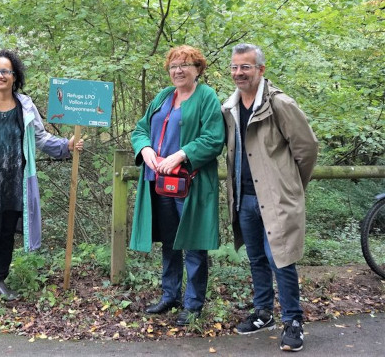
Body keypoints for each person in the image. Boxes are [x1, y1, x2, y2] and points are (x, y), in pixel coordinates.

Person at [0, 49, 84, 317]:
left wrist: (66, 145)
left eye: (6, 71)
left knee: (6, 232)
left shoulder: (25, 106)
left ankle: (0, 279)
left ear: (15, 76)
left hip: (16, 180)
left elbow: (40, 138)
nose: (0, 75)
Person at [222, 43, 319, 352]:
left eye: (246, 67)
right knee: (257, 258)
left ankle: (293, 322)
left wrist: (291, 187)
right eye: (235, 67)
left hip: (275, 199)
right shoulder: (230, 107)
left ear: (261, 70)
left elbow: (307, 149)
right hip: (244, 198)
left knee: (282, 259)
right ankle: (263, 312)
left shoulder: (280, 104)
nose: (239, 73)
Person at [130, 45, 225, 326]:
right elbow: (140, 129)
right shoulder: (163, 97)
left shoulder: (206, 97)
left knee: (193, 243)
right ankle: (170, 294)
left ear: (198, 69)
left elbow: (213, 138)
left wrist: (180, 155)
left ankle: (193, 304)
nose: (178, 70)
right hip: (160, 183)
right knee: (169, 241)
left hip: (191, 184)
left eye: (185, 65)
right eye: (173, 66)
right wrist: (145, 149)